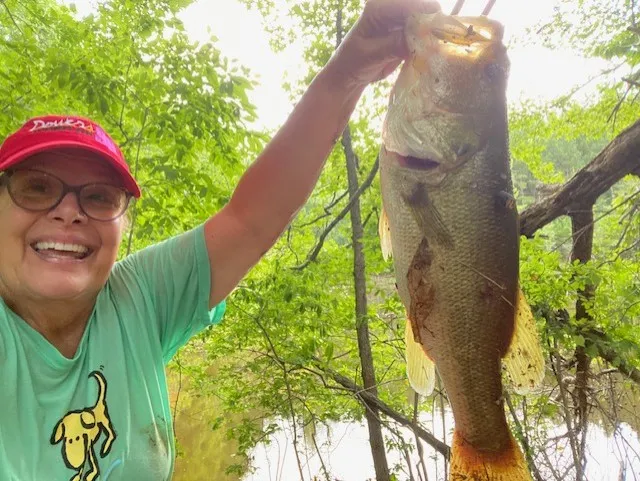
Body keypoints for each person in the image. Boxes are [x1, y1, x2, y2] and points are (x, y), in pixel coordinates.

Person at [0, 0, 441, 479]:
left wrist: (351, 67)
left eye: (99, 197)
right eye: (36, 188)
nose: (68, 211)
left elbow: (253, 218)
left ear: (122, 221)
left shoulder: (136, 298)